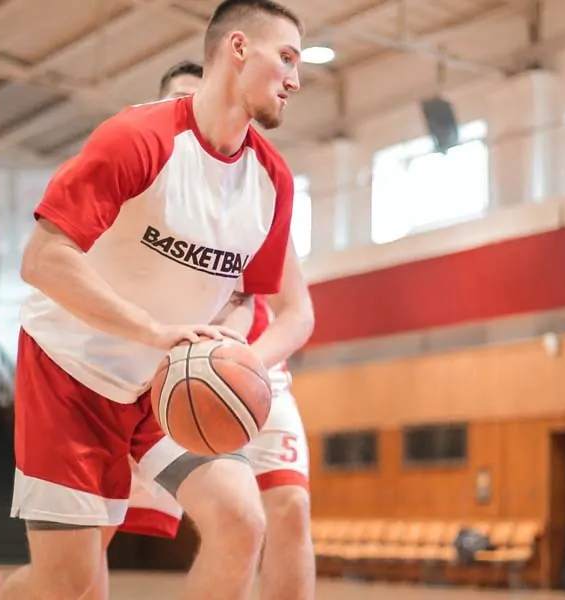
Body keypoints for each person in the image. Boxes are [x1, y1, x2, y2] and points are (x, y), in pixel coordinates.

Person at [0, 1, 306, 599]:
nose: (296, 78)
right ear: (238, 48)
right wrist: (153, 330)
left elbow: (246, 296)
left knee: (242, 522)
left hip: (165, 384)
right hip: (71, 374)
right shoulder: (139, 137)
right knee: (69, 582)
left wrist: (227, 341)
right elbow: (43, 259)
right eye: (286, 57)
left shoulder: (273, 180)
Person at [119, 60, 317, 600]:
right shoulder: (140, 193)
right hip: (156, 378)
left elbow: (298, 312)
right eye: (181, 104)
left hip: (249, 367)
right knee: (80, 545)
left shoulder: (256, 196)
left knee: (289, 509)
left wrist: (245, 360)